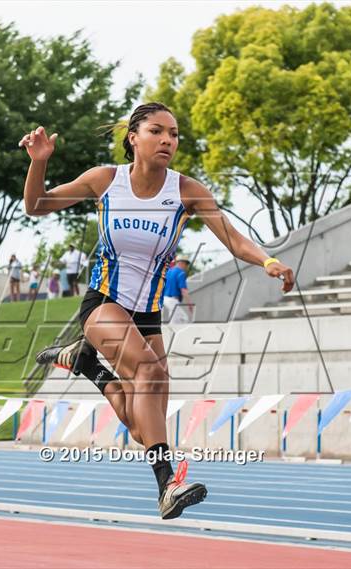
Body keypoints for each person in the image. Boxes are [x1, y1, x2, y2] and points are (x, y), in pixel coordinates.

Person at [20, 102, 295, 520]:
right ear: (134, 138)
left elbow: (234, 239)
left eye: (174, 134)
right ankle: (167, 483)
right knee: (149, 374)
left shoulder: (186, 190)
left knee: (140, 423)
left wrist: (268, 262)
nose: (168, 139)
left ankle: (86, 365)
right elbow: (37, 205)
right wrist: (39, 163)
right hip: (104, 304)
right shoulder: (105, 180)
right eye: (157, 131)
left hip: (147, 314)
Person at [163, 255, 193, 324]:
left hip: (164, 299)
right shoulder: (181, 273)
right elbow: (184, 290)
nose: (186, 266)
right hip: (172, 300)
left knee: (173, 321)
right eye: (186, 264)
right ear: (181, 263)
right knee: (183, 319)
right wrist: (190, 304)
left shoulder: (168, 271)